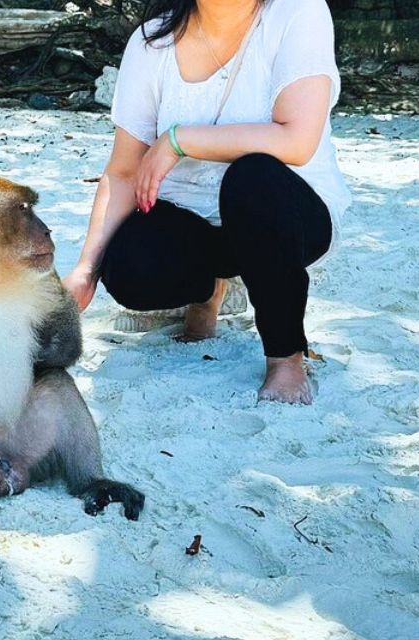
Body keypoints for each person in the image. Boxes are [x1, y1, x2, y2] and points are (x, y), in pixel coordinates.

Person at [61, 0, 351, 405]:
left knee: (253, 177)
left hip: (284, 213)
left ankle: (286, 357)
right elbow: (124, 171)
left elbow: (297, 141)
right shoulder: (152, 43)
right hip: (193, 219)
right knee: (129, 267)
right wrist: (85, 270)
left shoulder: (297, 11)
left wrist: (180, 140)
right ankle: (207, 292)